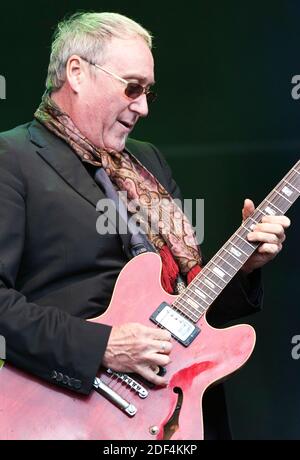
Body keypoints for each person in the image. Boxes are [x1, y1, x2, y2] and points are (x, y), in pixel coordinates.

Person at [0, 11, 290, 439]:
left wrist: (243, 266)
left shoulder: (147, 160)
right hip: (67, 413)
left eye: (148, 91)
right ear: (77, 73)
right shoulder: (13, 158)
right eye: (132, 87)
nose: (143, 106)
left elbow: (185, 307)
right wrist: (103, 347)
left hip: (170, 411)